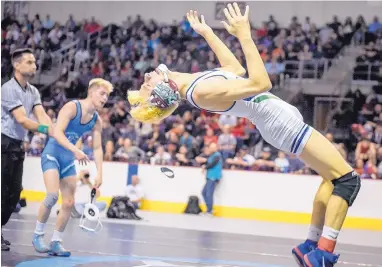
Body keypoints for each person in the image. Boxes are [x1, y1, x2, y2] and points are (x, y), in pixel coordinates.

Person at [126, 4, 361, 267]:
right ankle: (322, 255)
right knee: (348, 181)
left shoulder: (194, 83)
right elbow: (261, 83)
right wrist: (245, 35)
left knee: (332, 179)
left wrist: (207, 33)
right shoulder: (201, 91)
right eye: (147, 85)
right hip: (279, 122)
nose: (147, 76)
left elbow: (234, 69)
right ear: (164, 92)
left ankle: (310, 245)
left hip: (277, 121)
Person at [32, 78, 113, 257]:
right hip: (52, 154)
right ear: (91, 92)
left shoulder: (96, 120)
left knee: (69, 202)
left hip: (68, 160)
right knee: (52, 195)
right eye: (102, 93)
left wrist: (100, 172)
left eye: (107, 95)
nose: (105, 98)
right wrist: (75, 150)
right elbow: (57, 132)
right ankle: (38, 235)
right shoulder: (71, 107)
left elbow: (98, 148)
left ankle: (56, 241)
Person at [1, 48, 54, 251]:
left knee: (14, 194)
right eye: (30, 62)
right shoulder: (8, 89)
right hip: (3, 143)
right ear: (17, 65)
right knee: (2, 191)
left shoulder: (33, 91)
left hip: (16, 146)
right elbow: (22, 119)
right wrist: (47, 130)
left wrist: (53, 130)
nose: (35, 65)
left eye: (34, 62)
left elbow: (42, 116)